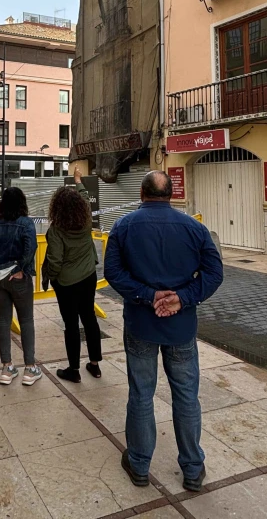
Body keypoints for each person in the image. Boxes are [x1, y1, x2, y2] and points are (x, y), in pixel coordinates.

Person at [105, 171, 223, 493]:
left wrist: (147, 294)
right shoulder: (194, 228)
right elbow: (215, 273)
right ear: (171, 194)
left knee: (141, 394)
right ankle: (192, 469)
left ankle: (140, 464)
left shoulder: (123, 226)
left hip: (141, 326)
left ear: (142, 194)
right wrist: (181, 299)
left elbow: (112, 272)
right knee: (186, 397)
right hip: (181, 327)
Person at [45, 166, 102, 382]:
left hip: (67, 283)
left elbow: (55, 260)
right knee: (89, 317)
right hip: (88, 277)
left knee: (71, 324)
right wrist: (78, 180)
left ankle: (74, 370)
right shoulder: (86, 220)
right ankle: (95, 365)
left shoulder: (56, 230)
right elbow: (85, 196)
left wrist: (52, 277)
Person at [0, 187, 41, 386]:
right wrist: (22, 269)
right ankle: (29, 368)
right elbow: (31, 247)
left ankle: (7, 368)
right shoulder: (26, 223)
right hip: (17, 278)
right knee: (26, 321)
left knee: (3, 321)